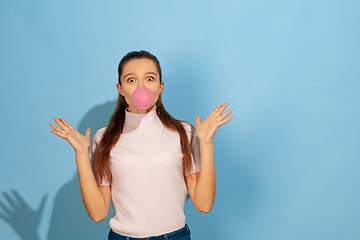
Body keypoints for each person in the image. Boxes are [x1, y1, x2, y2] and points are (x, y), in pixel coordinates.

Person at [50, 50, 233, 240]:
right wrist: (81, 154)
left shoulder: (184, 133)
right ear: (120, 88)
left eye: (149, 78)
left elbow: (203, 204)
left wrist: (206, 142)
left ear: (160, 86)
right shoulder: (103, 138)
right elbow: (98, 214)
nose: (141, 87)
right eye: (131, 80)